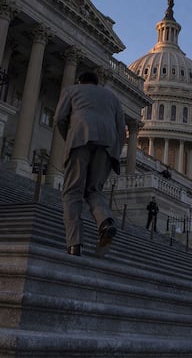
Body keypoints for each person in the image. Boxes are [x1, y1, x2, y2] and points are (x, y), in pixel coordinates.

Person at [54, 71, 126, 257]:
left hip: (80, 139)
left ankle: (74, 243)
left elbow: (59, 119)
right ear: (97, 83)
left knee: (72, 192)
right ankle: (105, 221)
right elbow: (121, 131)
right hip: (107, 145)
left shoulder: (71, 90)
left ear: (80, 81)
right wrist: (114, 154)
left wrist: (70, 138)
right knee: (94, 190)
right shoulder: (113, 98)